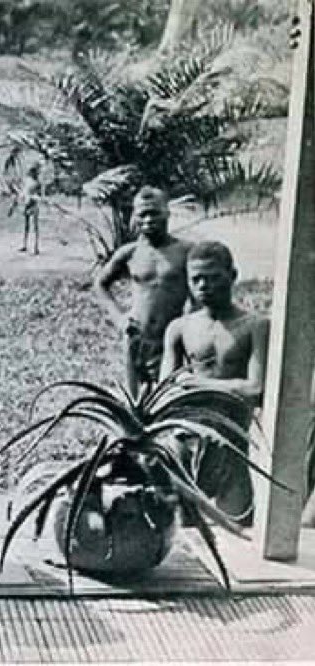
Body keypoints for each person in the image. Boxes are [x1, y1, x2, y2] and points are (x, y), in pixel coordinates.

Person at [160, 241, 269, 524]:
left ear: (232, 275)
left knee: (239, 530)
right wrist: (227, 387)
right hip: (186, 440)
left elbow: (255, 390)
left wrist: (195, 384)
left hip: (231, 445)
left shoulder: (255, 326)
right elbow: (165, 391)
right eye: (196, 279)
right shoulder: (180, 328)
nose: (204, 285)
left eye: (213, 277)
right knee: (186, 533)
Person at [93, 186, 193, 396]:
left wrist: (190, 326)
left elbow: (200, 294)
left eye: (154, 213)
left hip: (171, 338)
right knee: (136, 401)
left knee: (170, 397)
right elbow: (100, 284)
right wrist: (119, 318)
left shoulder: (186, 251)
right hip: (137, 337)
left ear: (167, 212)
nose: (148, 220)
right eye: (142, 214)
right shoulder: (130, 253)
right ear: (135, 216)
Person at [8, 163, 43, 254]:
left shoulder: (35, 183)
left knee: (33, 226)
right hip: (29, 204)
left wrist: (13, 206)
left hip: (33, 205)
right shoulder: (31, 183)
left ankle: (34, 246)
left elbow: (38, 195)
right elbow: (22, 194)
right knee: (28, 226)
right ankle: (28, 245)